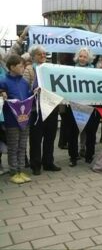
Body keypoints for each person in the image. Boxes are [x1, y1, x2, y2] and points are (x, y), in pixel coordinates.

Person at [24, 45, 61, 175]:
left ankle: (48, 162)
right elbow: (24, 89)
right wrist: (33, 91)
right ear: (33, 56)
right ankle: (35, 164)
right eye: (40, 54)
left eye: (44, 54)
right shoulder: (29, 70)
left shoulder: (50, 68)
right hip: (36, 109)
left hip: (51, 107)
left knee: (50, 137)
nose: (43, 56)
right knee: (36, 138)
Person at [0, 55, 33, 184]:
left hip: (25, 119)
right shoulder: (3, 81)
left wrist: (34, 92)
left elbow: (28, 95)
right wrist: (2, 92)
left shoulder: (24, 82)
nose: (23, 68)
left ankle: (20, 170)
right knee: (13, 147)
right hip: (12, 120)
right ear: (12, 67)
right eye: (20, 66)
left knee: (22, 146)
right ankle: (14, 171)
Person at [67, 47, 100, 167]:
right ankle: (73, 156)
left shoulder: (95, 71)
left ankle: (89, 155)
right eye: (80, 56)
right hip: (74, 105)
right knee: (73, 132)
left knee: (91, 132)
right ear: (77, 57)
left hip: (90, 105)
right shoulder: (71, 70)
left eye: (85, 56)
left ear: (89, 58)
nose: (82, 58)